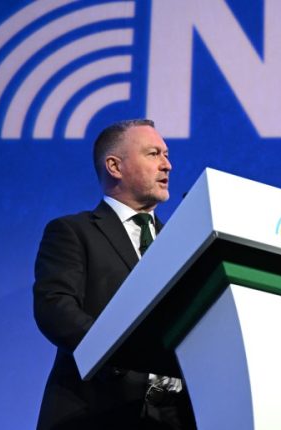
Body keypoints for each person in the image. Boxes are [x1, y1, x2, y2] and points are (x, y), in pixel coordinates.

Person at [33, 119, 194, 429]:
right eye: (153, 154)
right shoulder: (73, 231)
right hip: (98, 411)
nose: (167, 165)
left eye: (167, 154)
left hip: (176, 417)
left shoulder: (184, 241)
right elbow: (56, 309)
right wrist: (130, 360)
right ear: (114, 166)